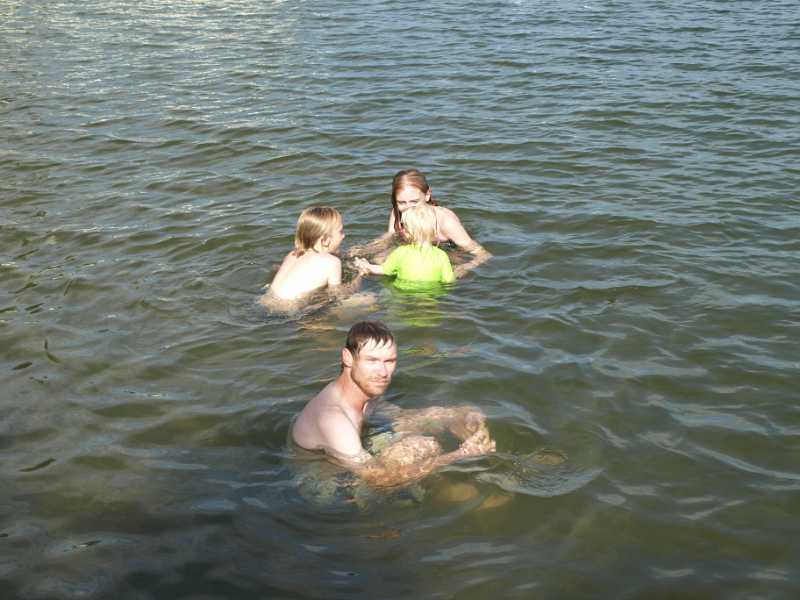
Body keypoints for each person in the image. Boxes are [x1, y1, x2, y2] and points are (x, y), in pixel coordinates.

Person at [291, 321, 495, 487]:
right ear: (348, 358)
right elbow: (379, 479)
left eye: (389, 362)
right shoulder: (334, 419)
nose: (383, 372)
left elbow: (403, 418)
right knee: (421, 447)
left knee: (460, 412)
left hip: (352, 456)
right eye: (372, 360)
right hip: (325, 486)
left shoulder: (366, 392)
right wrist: (460, 455)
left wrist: (462, 419)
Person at [349, 169, 491, 277]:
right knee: (378, 259)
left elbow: (483, 254)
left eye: (414, 201)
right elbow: (389, 237)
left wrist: (466, 267)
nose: (408, 207)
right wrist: (365, 249)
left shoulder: (445, 221)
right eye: (402, 202)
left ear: (427, 195)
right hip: (411, 250)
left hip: (445, 252)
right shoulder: (397, 213)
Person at [260, 206, 360, 310]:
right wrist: (359, 275)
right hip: (290, 310)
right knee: (367, 299)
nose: (343, 236)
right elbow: (337, 296)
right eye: (341, 231)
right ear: (325, 240)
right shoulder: (333, 262)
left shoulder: (293, 254)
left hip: (265, 303)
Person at [353, 203, 455, 285]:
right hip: (432, 295)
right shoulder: (442, 255)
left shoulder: (401, 252)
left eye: (403, 226)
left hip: (403, 293)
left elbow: (384, 270)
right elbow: (448, 281)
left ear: (407, 233)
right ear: (434, 230)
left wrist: (367, 266)